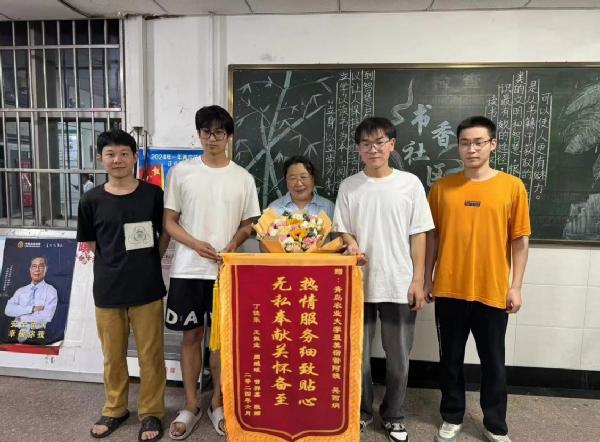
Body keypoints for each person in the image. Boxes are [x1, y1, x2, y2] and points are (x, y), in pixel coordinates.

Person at [425, 116, 530, 442]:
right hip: (449, 289)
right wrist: (427, 279)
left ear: (492, 145)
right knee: (450, 360)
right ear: (458, 146)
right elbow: (432, 238)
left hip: (492, 290)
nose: (471, 149)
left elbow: (520, 240)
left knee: (493, 362)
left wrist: (516, 286)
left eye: (478, 142)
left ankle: (495, 423)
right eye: (465, 143)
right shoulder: (442, 189)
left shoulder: (512, 187)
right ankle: (452, 416)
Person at [333, 117, 434, 442]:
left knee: (399, 358)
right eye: (365, 143)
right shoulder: (350, 186)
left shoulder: (410, 184)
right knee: (357, 356)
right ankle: (361, 411)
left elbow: (419, 234)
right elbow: (343, 229)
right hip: (358, 284)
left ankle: (394, 415)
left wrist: (418, 280)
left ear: (392, 145)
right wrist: (350, 243)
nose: (373, 149)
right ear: (358, 149)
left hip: (398, 282)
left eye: (379, 142)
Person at [164, 105, 260, 439]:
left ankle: (218, 402)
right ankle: (190, 404)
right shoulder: (181, 173)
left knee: (221, 341)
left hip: (226, 272)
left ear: (229, 137)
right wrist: (195, 244)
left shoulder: (243, 177)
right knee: (191, 337)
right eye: (206, 131)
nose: (212, 138)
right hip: (188, 269)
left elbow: (249, 224)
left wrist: (233, 243)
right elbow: (169, 222)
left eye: (219, 132)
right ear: (199, 134)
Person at [77, 129, 169, 442]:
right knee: (112, 355)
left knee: (151, 355)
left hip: (147, 288)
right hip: (108, 289)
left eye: (123, 154)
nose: (117, 160)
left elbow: (164, 234)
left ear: (134, 157)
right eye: (110, 154)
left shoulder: (152, 194)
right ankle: (115, 408)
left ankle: (152, 412)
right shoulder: (91, 199)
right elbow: (91, 243)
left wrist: (148, 261)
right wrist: (114, 265)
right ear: (100, 159)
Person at [4, 256, 58, 343]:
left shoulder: (51, 291)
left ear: (46, 269)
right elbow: (8, 310)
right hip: (15, 331)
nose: (37, 269)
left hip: (36, 333)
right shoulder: (20, 290)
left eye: (41, 266)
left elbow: (47, 316)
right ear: (30, 269)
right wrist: (32, 309)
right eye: (34, 266)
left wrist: (20, 314)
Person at [268, 155, 335, 219]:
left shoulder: (328, 208)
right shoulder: (273, 209)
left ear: (313, 179)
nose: (299, 183)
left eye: (303, 177)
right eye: (293, 178)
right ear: (286, 181)